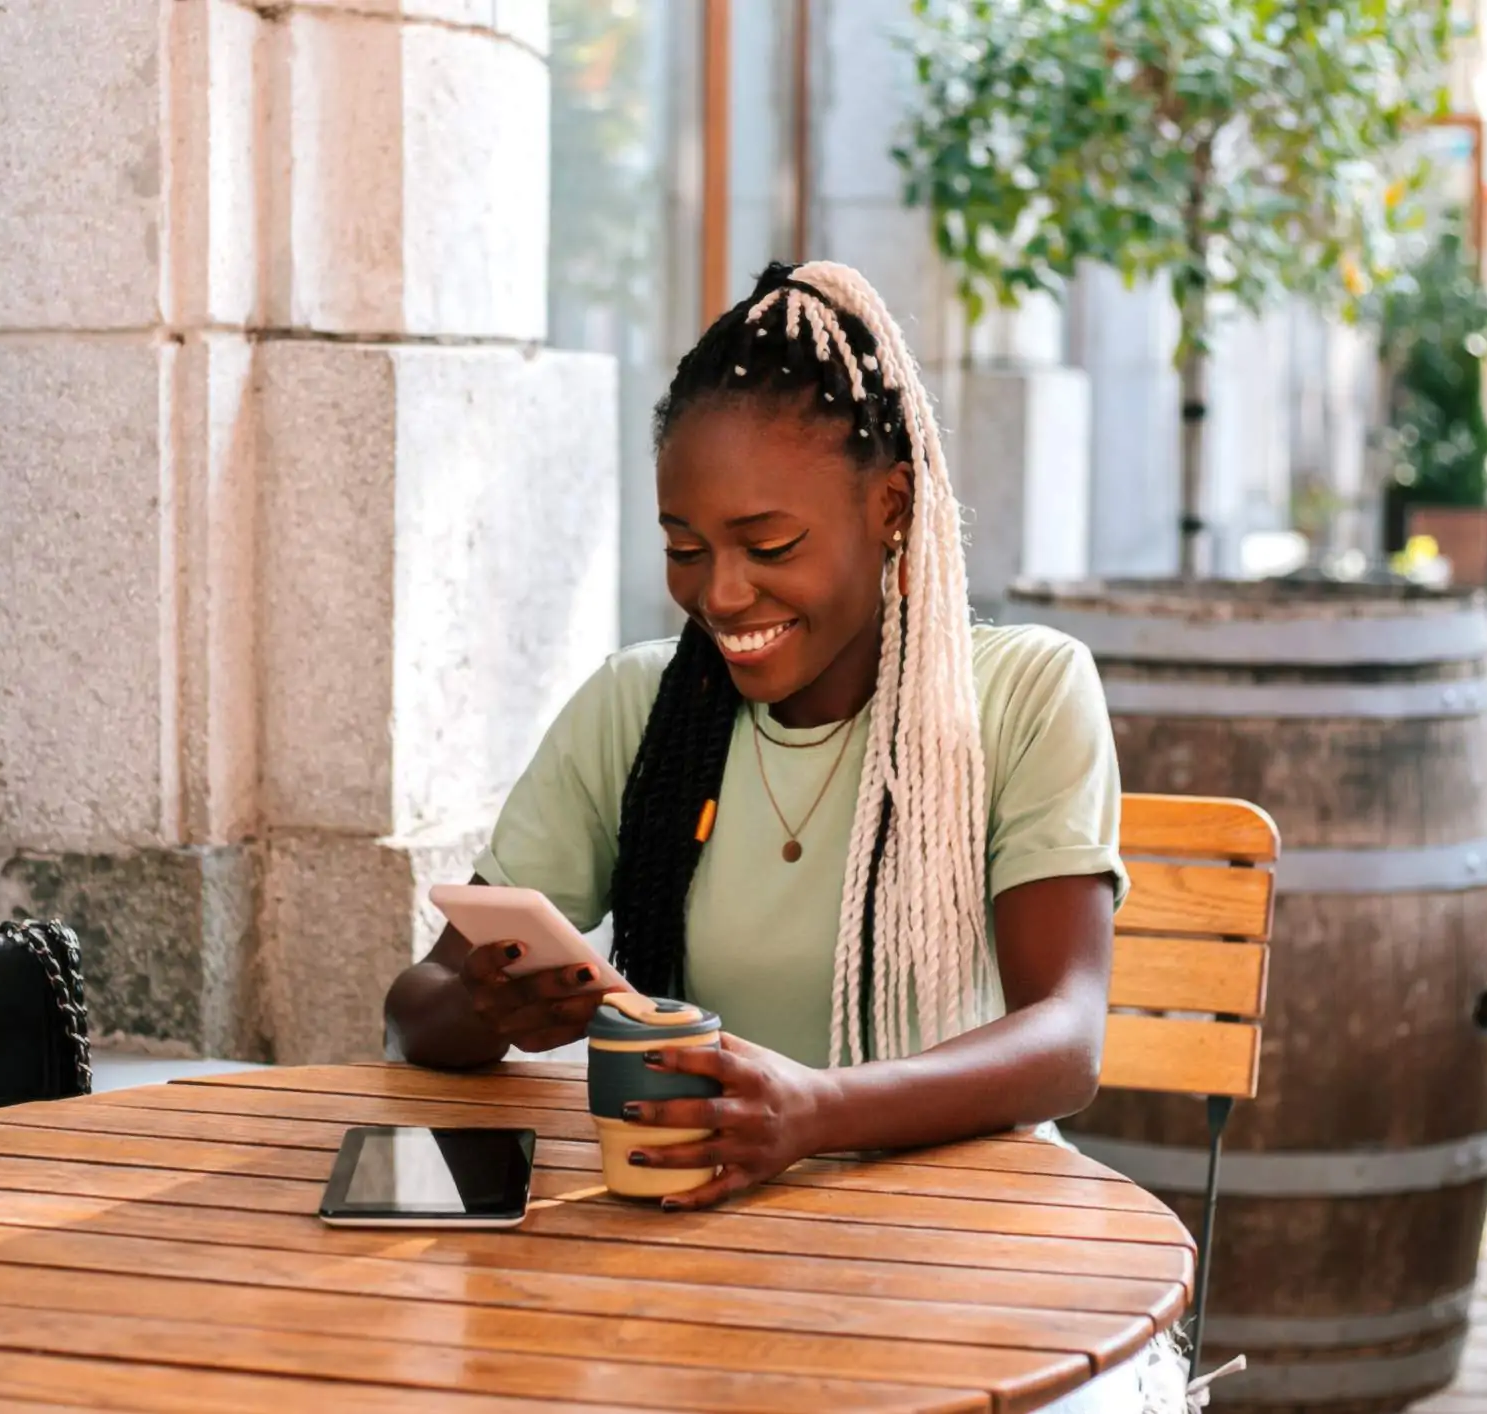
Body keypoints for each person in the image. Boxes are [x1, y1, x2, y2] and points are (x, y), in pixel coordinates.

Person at [386, 260, 1179, 1407]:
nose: (722, 593)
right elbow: (415, 1008)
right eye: (686, 545)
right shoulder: (639, 708)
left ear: (890, 506)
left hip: (973, 1256)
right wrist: (487, 1010)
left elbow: (1066, 1037)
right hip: (707, 1258)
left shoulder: (1022, 694)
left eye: (767, 543)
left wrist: (814, 1112)